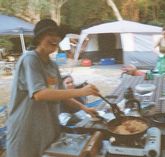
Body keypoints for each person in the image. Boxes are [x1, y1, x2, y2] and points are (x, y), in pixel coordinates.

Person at [7, 19, 100, 157]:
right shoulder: (30, 59)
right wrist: (80, 91)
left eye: (57, 35)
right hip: (25, 129)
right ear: (39, 38)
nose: (55, 38)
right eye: (49, 34)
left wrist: (85, 109)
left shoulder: (52, 65)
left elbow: (63, 95)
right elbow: (39, 94)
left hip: (46, 127)